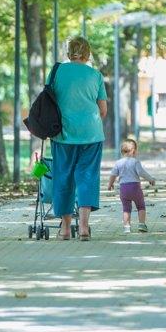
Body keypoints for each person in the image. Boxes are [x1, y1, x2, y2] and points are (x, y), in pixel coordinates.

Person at [49, 37, 107, 240]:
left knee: (63, 176)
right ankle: (83, 227)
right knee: (87, 177)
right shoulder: (95, 75)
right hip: (91, 134)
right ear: (87, 53)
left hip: (62, 134)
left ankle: (65, 229)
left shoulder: (57, 71)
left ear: (69, 52)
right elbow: (103, 109)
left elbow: (50, 99)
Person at [107, 138, 156, 233]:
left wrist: (110, 184)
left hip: (124, 189)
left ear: (122, 151)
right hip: (135, 188)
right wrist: (150, 179)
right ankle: (141, 224)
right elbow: (141, 172)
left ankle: (127, 227)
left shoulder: (118, 163)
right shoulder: (135, 162)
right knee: (141, 206)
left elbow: (113, 174)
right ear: (134, 151)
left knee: (126, 208)